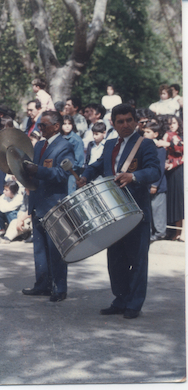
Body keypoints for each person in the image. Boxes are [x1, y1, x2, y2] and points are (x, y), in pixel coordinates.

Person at [78, 103, 160, 318]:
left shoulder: (145, 144)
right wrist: (86, 175)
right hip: (111, 212)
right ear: (113, 123)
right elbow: (97, 165)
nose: (125, 125)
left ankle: (134, 304)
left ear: (135, 121)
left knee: (137, 259)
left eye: (129, 120)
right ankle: (120, 299)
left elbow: (154, 171)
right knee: (115, 259)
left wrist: (134, 176)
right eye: (120, 121)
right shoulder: (109, 144)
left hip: (136, 211)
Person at [21, 110, 74, 302]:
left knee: (56, 249)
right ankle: (42, 284)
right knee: (40, 248)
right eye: (39, 125)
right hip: (38, 201)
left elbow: (62, 174)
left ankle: (60, 288)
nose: (39, 128)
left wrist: (39, 170)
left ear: (56, 126)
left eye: (43, 125)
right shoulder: (40, 145)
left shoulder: (65, 146)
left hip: (54, 203)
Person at [141, 120, 167, 242]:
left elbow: (160, 168)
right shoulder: (147, 147)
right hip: (147, 183)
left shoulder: (160, 149)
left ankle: (160, 232)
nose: (145, 134)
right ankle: (151, 231)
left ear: (156, 134)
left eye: (148, 132)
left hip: (158, 184)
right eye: (144, 131)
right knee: (150, 208)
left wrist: (155, 184)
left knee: (158, 208)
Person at [163, 115, 184, 241]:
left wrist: (174, 164)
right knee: (175, 201)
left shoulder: (176, 136)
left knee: (180, 200)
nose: (172, 125)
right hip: (171, 170)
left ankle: (182, 232)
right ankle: (177, 231)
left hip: (179, 169)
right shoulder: (169, 135)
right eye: (170, 123)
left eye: (174, 122)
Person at [61, 115, 85, 193]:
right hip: (59, 173)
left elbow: (79, 161)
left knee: (70, 195)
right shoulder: (59, 138)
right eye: (64, 124)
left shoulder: (76, 140)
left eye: (69, 124)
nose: (67, 126)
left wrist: (67, 168)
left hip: (71, 174)